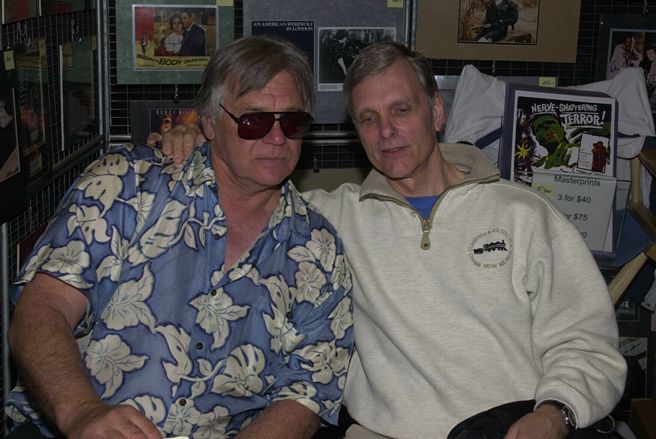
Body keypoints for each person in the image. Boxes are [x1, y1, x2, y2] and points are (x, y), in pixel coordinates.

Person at [157, 40, 627, 439]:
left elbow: (587, 342)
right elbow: (240, 180)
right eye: (368, 118)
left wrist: (556, 413)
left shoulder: (524, 215)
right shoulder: (327, 220)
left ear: (436, 111)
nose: (387, 132)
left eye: (401, 110)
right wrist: (198, 135)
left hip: (510, 428)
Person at [5, 36, 354, 439]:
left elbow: (307, 392)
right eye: (253, 121)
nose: (276, 138)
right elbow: (43, 307)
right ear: (209, 123)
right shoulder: (126, 187)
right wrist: (82, 413)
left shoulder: (319, 250)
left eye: (292, 122)